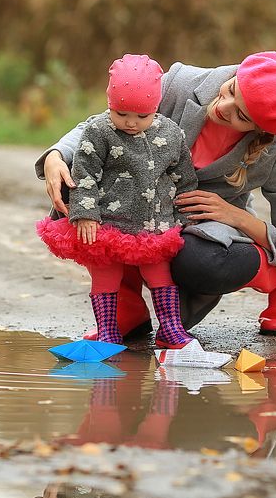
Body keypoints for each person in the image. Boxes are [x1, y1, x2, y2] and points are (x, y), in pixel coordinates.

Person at [37, 51, 276, 337]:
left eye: (241, 115)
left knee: (198, 261)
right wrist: (56, 154)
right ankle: (127, 306)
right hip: (145, 209)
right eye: (232, 90)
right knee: (76, 184)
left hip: (204, 231)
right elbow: (101, 129)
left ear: (261, 130)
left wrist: (237, 217)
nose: (224, 106)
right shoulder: (179, 83)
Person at [36, 54, 200, 348]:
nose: (131, 123)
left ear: (155, 108)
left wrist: (187, 218)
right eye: (122, 113)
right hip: (106, 223)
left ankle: (171, 328)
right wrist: (85, 213)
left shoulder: (171, 134)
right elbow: (84, 173)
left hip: (153, 224)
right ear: (110, 103)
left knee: (159, 273)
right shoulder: (98, 131)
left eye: (142, 116)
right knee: (105, 274)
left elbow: (183, 179)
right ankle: (109, 330)